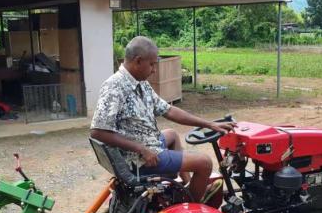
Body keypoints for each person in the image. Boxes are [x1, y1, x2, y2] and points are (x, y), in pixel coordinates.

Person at [90, 36, 235, 202]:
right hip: (139, 160)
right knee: (205, 163)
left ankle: (188, 188)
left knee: (172, 134)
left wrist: (208, 124)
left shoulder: (140, 83)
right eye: (152, 64)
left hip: (146, 146)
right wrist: (141, 149)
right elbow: (98, 131)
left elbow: (169, 110)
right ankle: (192, 205)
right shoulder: (114, 87)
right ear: (138, 61)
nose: (154, 70)